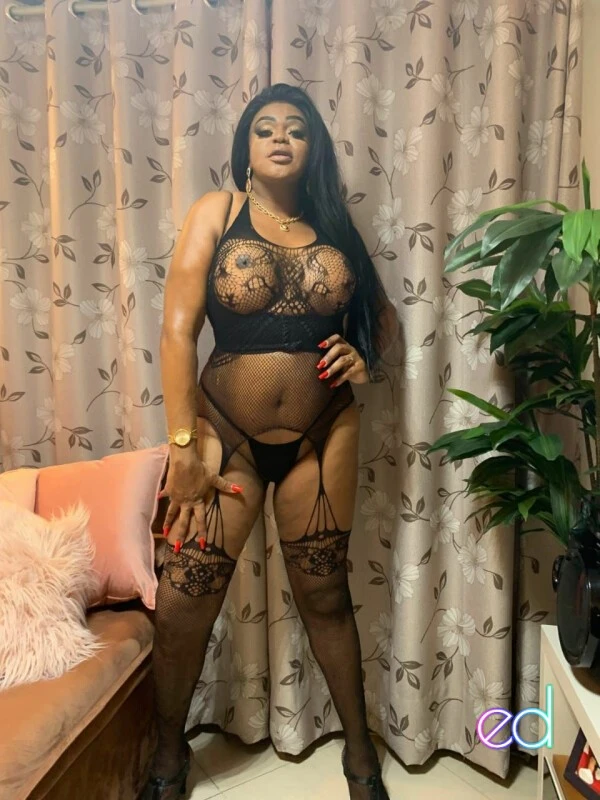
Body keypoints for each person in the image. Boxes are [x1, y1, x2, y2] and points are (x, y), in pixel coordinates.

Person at [143, 83, 397, 800]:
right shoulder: (217, 212)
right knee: (186, 598)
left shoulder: (334, 225)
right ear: (246, 147)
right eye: (265, 128)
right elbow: (177, 332)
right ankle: (167, 756)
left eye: (296, 128)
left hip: (325, 431)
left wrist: (364, 357)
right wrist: (183, 447)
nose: (280, 137)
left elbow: (380, 318)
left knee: (325, 595)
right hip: (224, 432)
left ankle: (360, 758)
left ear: (313, 147)